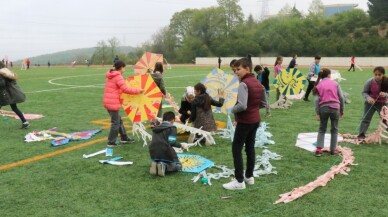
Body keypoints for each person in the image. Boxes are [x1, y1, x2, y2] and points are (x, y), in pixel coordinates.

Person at [223, 57, 265, 190]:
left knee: (237, 149)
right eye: (235, 70)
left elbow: (242, 105)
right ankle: (249, 177)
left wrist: (230, 109)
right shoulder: (259, 83)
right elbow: (264, 103)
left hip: (245, 121)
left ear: (247, 68)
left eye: (238, 69)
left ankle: (239, 181)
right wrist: (253, 109)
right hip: (255, 120)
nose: (236, 72)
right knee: (250, 148)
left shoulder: (243, 84)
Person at [103, 60, 143, 147]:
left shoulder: (111, 75)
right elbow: (126, 89)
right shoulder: (118, 76)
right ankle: (111, 142)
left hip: (109, 101)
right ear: (121, 67)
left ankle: (124, 138)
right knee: (116, 122)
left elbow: (116, 88)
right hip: (112, 102)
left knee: (118, 120)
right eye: (124, 67)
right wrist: (138, 91)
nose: (124, 69)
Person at [312, 68, 344, 157]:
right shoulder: (335, 83)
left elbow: (316, 100)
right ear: (329, 75)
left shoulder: (318, 85)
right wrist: (342, 110)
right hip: (335, 108)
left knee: (322, 128)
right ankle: (333, 150)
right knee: (334, 129)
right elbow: (341, 98)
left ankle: (318, 150)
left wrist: (317, 113)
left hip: (323, 108)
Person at [149, 111, 188, 176]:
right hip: (164, 150)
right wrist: (181, 145)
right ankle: (164, 166)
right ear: (173, 120)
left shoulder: (156, 128)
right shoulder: (172, 127)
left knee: (161, 159)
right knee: (178, 166)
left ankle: (156, 164)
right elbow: (172, 142)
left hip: (153, 151)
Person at [357, 66, 388, 140]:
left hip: (383, 104)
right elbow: (364, 92)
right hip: (370, 104)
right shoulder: (370, 82)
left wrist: (386, 94)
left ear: (383, 74)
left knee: (385, 120)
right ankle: (361, 135)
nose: (377, 76)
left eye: (379, 75)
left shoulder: (386, 82)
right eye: (376, 74)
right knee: (366, 119)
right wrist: (368, 98)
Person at [0, 62, 29, 128]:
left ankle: (25, 122)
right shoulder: (6, 71)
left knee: (13, 108)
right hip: (12, 92)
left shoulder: (2, 73)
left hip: (7, 93)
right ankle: (25, 122)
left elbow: (2, 84)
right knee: (14, 108)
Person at [150, 62, 166, 127]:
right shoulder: (160, 76)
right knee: (159, 109)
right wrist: (164, 93)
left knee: (152, 108)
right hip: (158, 94)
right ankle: (158, 122)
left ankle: (152, 123)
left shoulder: (151, 75)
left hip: (151, 94)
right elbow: (162, 87)